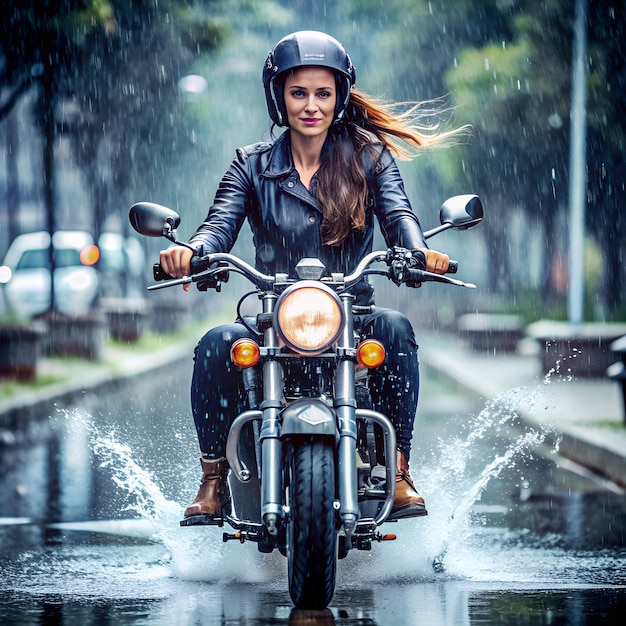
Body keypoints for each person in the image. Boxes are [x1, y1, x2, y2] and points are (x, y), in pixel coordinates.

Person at [160, 30, 464, 521]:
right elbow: (217, 226)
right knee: (217, 342)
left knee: (395, 330)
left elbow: (400, 216)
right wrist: (193, 252)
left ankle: (400, 469)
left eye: (323, 93)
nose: (311, 105)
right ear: (278, 95)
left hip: (351, 316)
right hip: (272, 320)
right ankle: (213, 477)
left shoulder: (370, 159)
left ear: (339, 96)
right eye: (298, 92)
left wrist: (418, 252)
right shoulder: (251, 164)